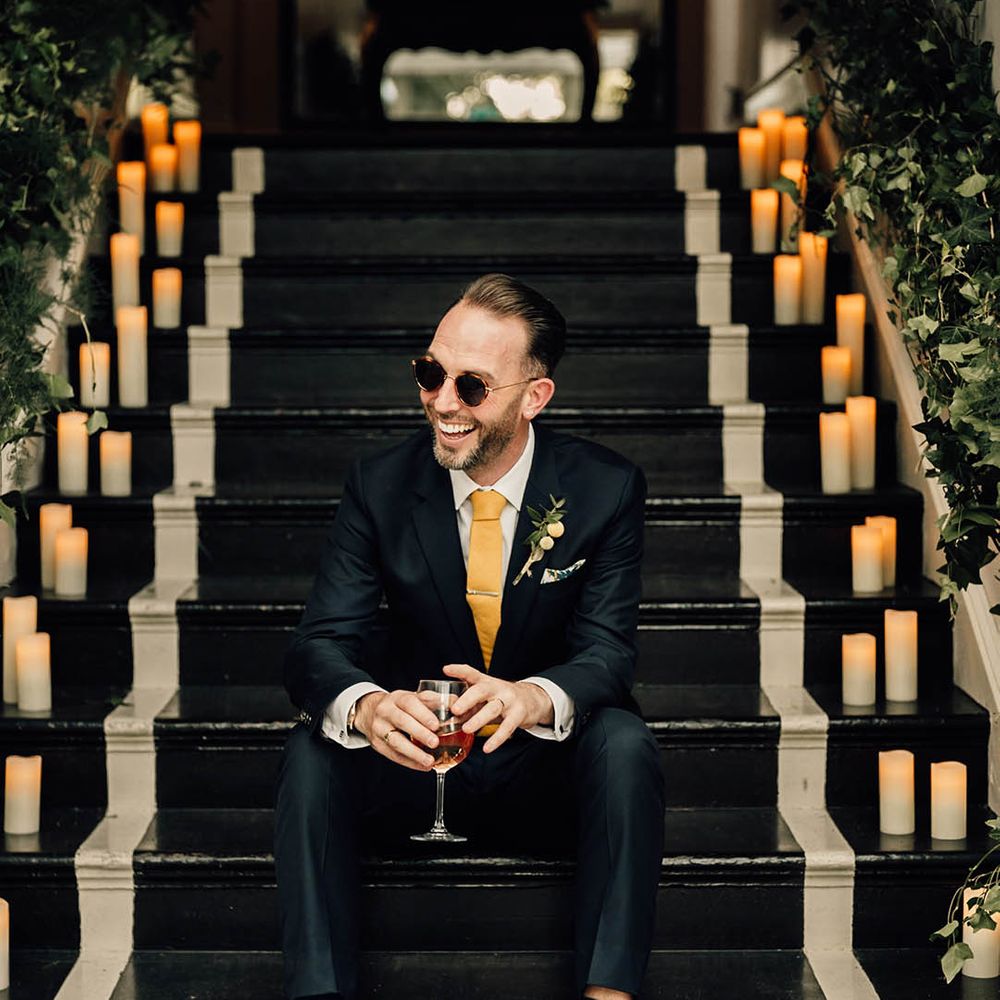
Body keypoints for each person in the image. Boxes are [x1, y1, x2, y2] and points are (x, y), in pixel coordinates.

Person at [275, 273, 665, 1000]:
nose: (441, 401)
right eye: (430, 372)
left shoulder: (606, 488)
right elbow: (317, 643)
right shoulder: (378, 484)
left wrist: (530, 697)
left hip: (538, 772)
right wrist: (366, 708)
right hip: (415, 760)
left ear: (534, 396)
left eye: (472, 385)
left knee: (624, 743)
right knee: (311, 744)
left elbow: (609, 654)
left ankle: (608, 993)